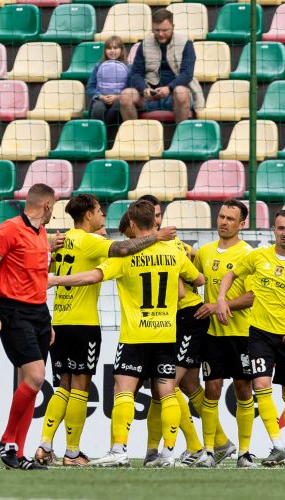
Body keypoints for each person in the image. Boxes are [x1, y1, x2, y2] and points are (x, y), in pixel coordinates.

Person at [49, 200, 204, 467]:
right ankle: (167, 453)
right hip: (166, 334)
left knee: (123, 390)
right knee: (168, 392)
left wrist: (56, 280)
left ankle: (119, 450)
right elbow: (196, 281)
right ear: (154, 222)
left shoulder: (125, 256)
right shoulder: (174, 252)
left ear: (131, 224)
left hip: (134, 336)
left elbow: (92, 277)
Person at [0, 183, 64, 471]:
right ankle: (7, 441)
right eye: (55, 206)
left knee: (30, 384)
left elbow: (36, 278)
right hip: (13, 313)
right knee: (37, 378)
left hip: (39, 314)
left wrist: (47, 320)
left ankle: (18, 453)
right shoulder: (9, 229)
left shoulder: (41, 234)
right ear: (48, 206)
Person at [217, 209, 285, 468]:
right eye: (280, 228)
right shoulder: (258, 257)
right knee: (260, 384)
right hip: (258, 333)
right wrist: (222, 299)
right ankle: (277, 445)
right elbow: (231, 275)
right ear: (273, 229)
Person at [119, 195, 209, 468]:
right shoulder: (165, 244)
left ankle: (196, 447)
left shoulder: (169, 244)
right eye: (154, 215)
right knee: (181, 387)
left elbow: (184, 291)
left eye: (159, 214)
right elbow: (197, 278)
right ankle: (158, 452)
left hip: (186, 317)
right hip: (169, 320)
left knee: (167, 389)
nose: (157, 219)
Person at [193, 199, 256, 468]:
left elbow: (253, 296)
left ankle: (244, 453)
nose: (223, 222)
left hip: (241, 332)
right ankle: (209, 450)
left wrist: (221, 304)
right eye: (221, 217)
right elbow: (192, 278)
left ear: (243, 224)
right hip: (211, 335)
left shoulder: (249, 255)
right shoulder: (204, 252)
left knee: (243, 390)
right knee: (212, 389)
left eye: (230, 219)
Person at [119, 8, 204, 123]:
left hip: (174, 95)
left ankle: (180, 137)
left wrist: (169, 88)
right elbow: (136, 73)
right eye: (157, 30)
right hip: (149, 95)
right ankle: (135, 137)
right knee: (125, 95)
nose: (160, 34)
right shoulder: (144, 44)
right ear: (152, 27)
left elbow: (187, 74)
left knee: (181, 92)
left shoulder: (186, 43)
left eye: (165, 30)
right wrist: (144, 89)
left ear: (173, 27)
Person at [86, 36, 128, 125]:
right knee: (98, 108)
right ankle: (98, 133)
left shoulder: (128, 67)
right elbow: (90, 88)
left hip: (119, 99)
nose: (112, 51)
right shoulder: (98, 66)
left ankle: (106, 130)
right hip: (101, 99)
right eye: (109, 48)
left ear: (121, 50)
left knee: (119, 105)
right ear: (105, 50)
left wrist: (117, 97)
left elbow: (131, 89)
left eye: (115, 48)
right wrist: (101, 97)